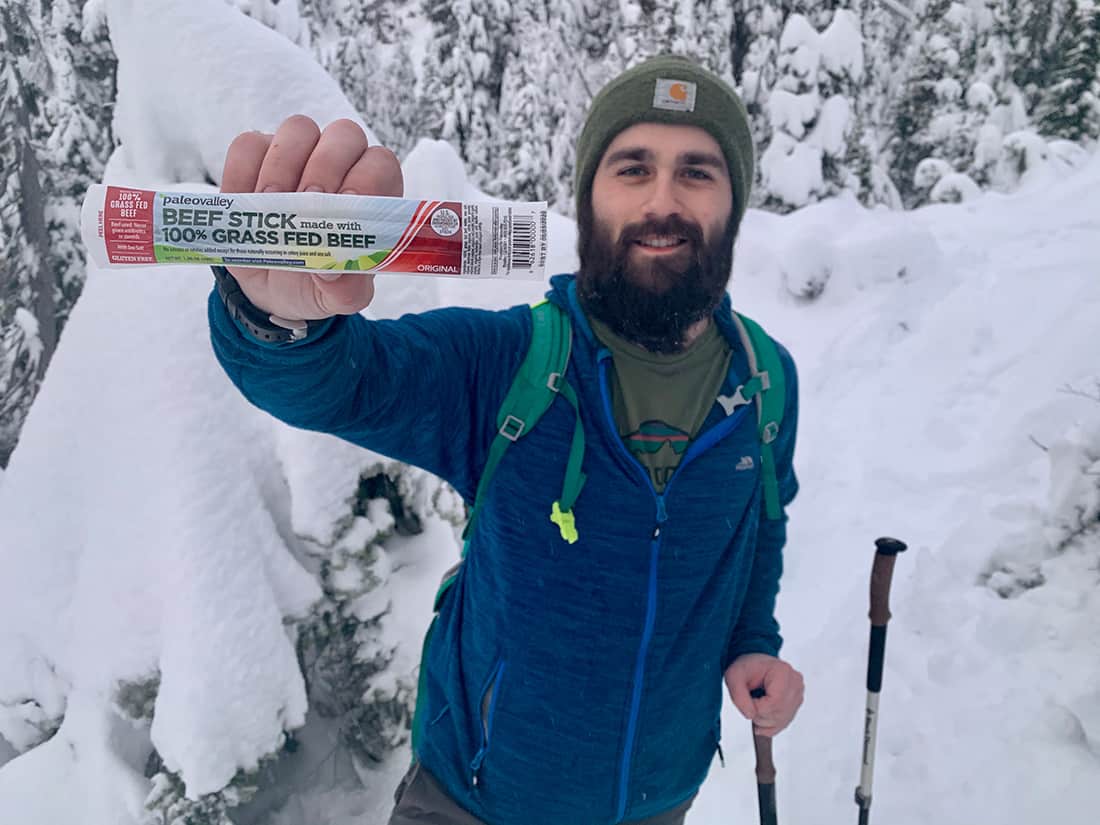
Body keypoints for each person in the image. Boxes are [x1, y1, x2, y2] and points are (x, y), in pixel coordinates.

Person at [209, 55, 804, 825]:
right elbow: (340, 380)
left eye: (697, 171)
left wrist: (753, 641)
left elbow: (760, 529)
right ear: (589, 200)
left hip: (660, 800)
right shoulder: (512, 365)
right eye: (632, 168)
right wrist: (275, 317)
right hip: (472, 801)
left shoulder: (766, 384)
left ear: (734, 204)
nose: (663, 200)